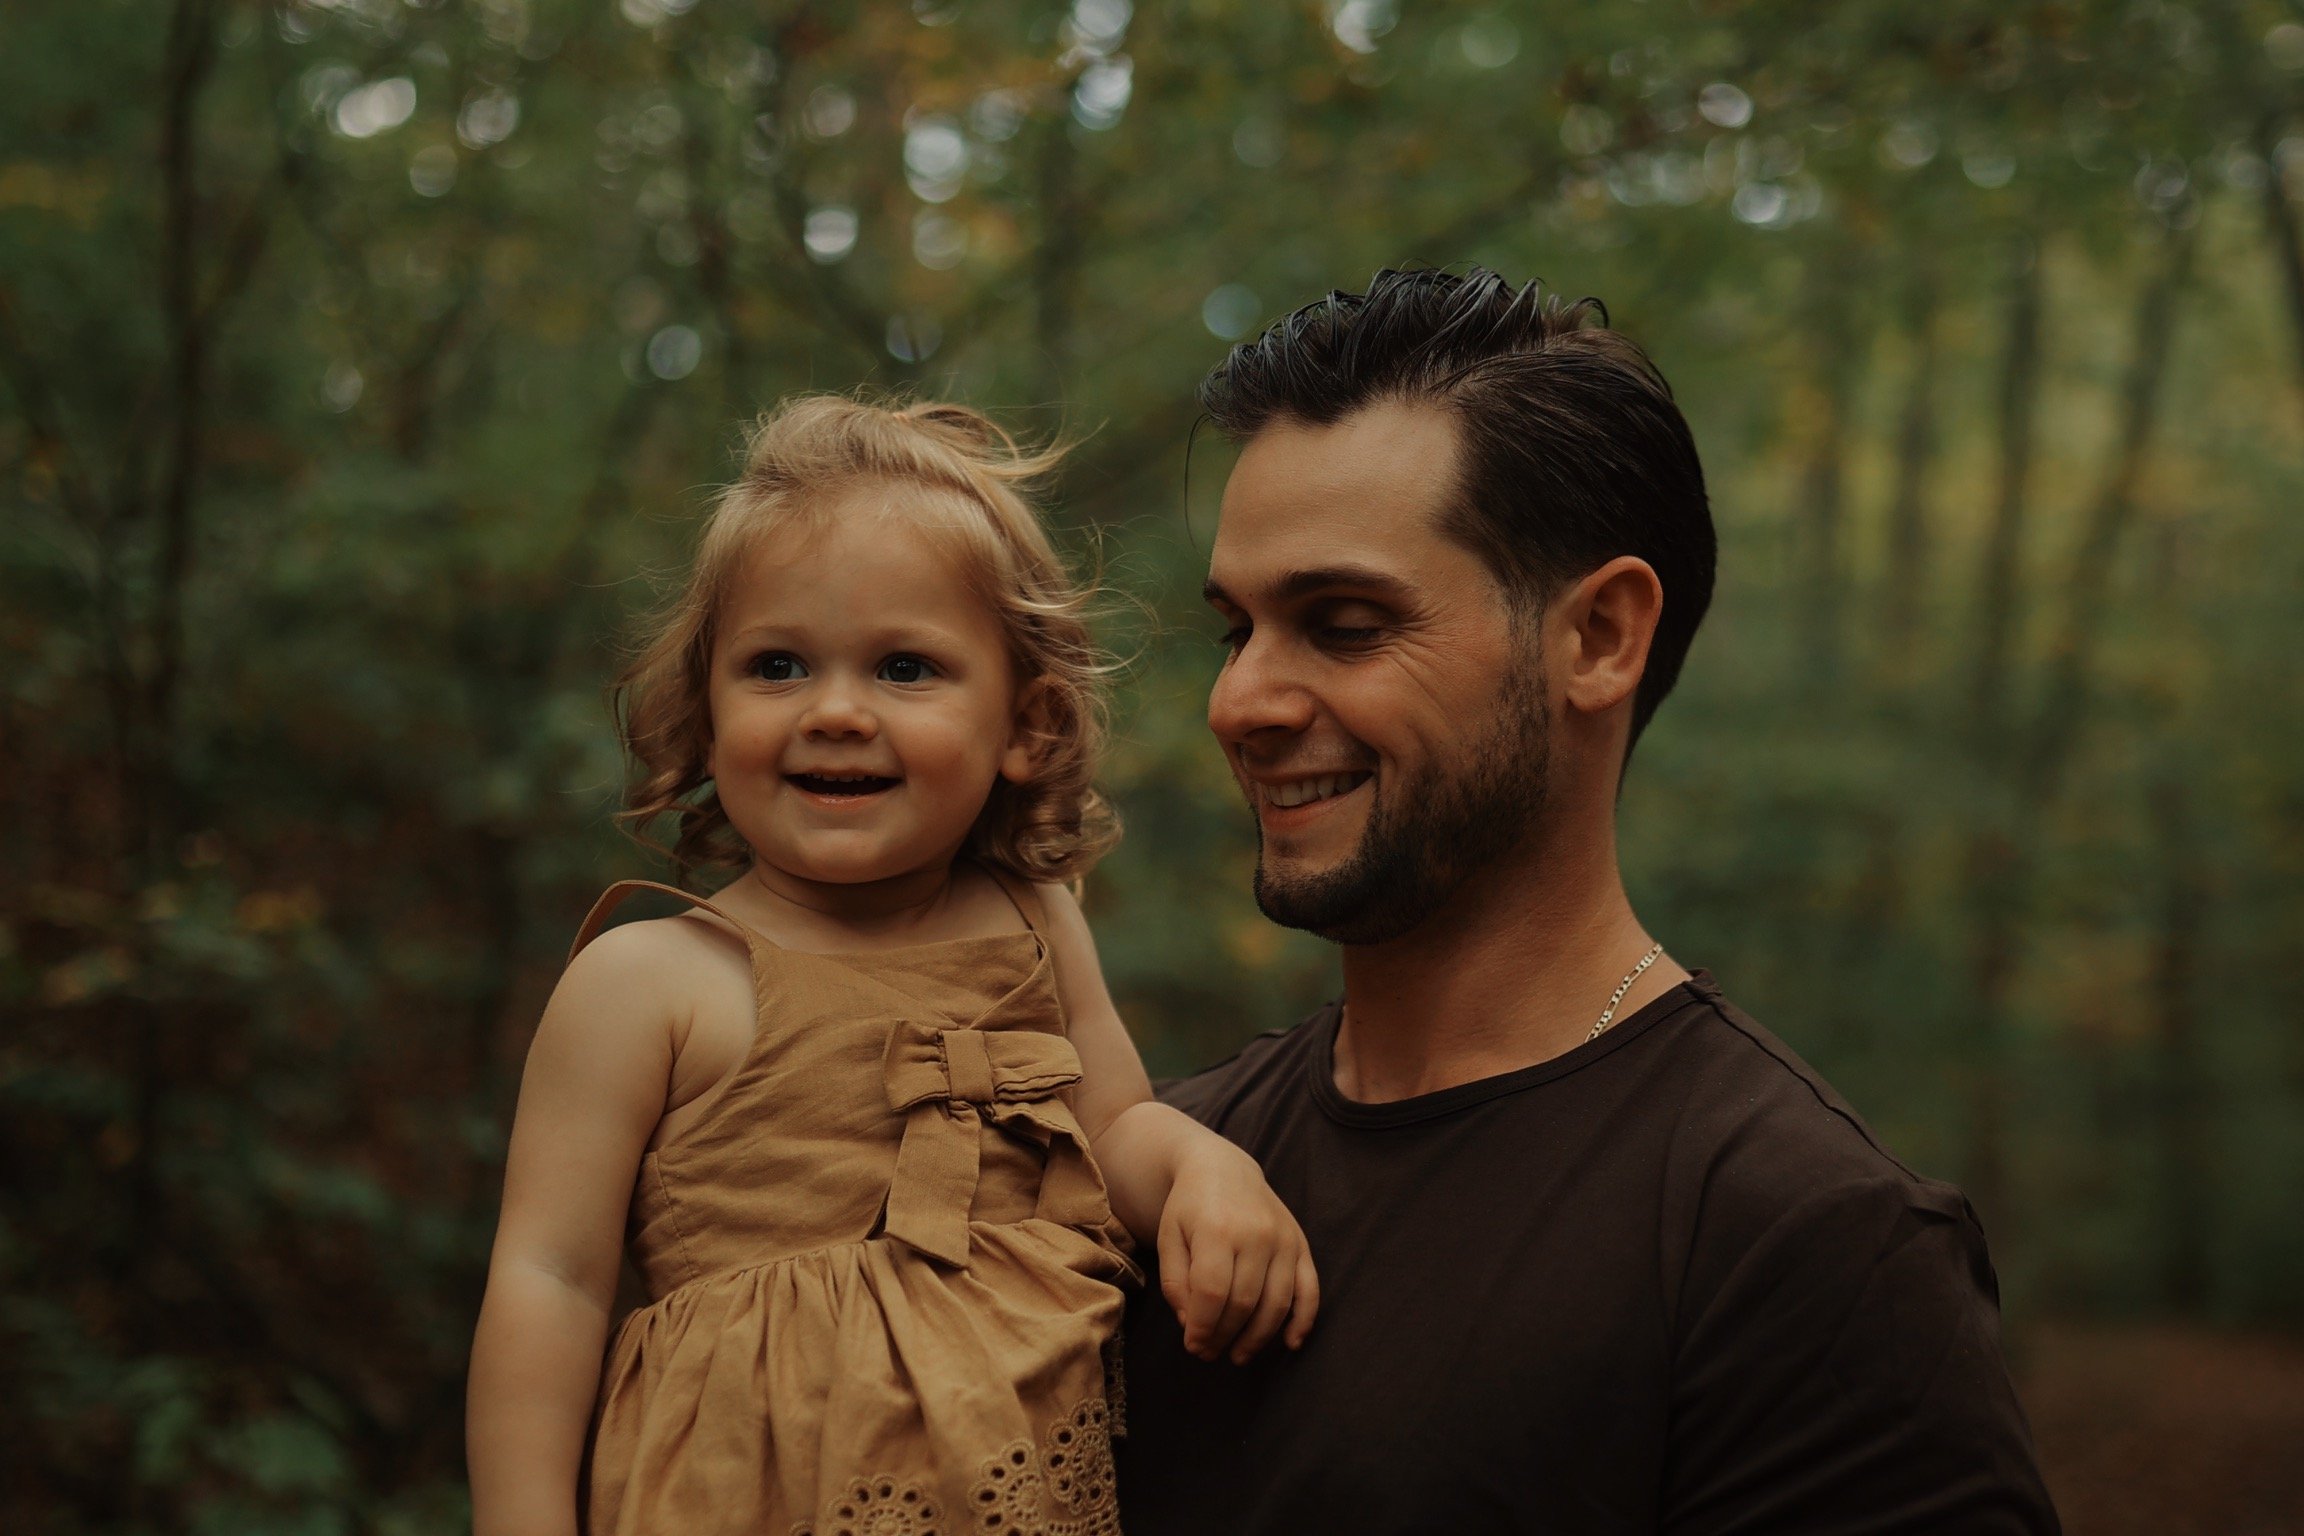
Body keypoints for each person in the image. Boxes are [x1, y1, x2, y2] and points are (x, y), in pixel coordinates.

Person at [1115, 269, 2061, 1533]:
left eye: (1341, 624)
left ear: (1601, 638)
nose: (1240, 704)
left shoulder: (1803, 1243)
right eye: (1237, 631)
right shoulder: (1169, 1163)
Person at [465, 396, 1317, 1536]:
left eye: (905, 668)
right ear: (705, 712)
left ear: (1026, 725)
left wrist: (1207, 1171)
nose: (835, 712)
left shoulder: (1033, 920)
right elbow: (549, 1284)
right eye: (775, 665)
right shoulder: (653, 980)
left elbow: (1112, 1135)